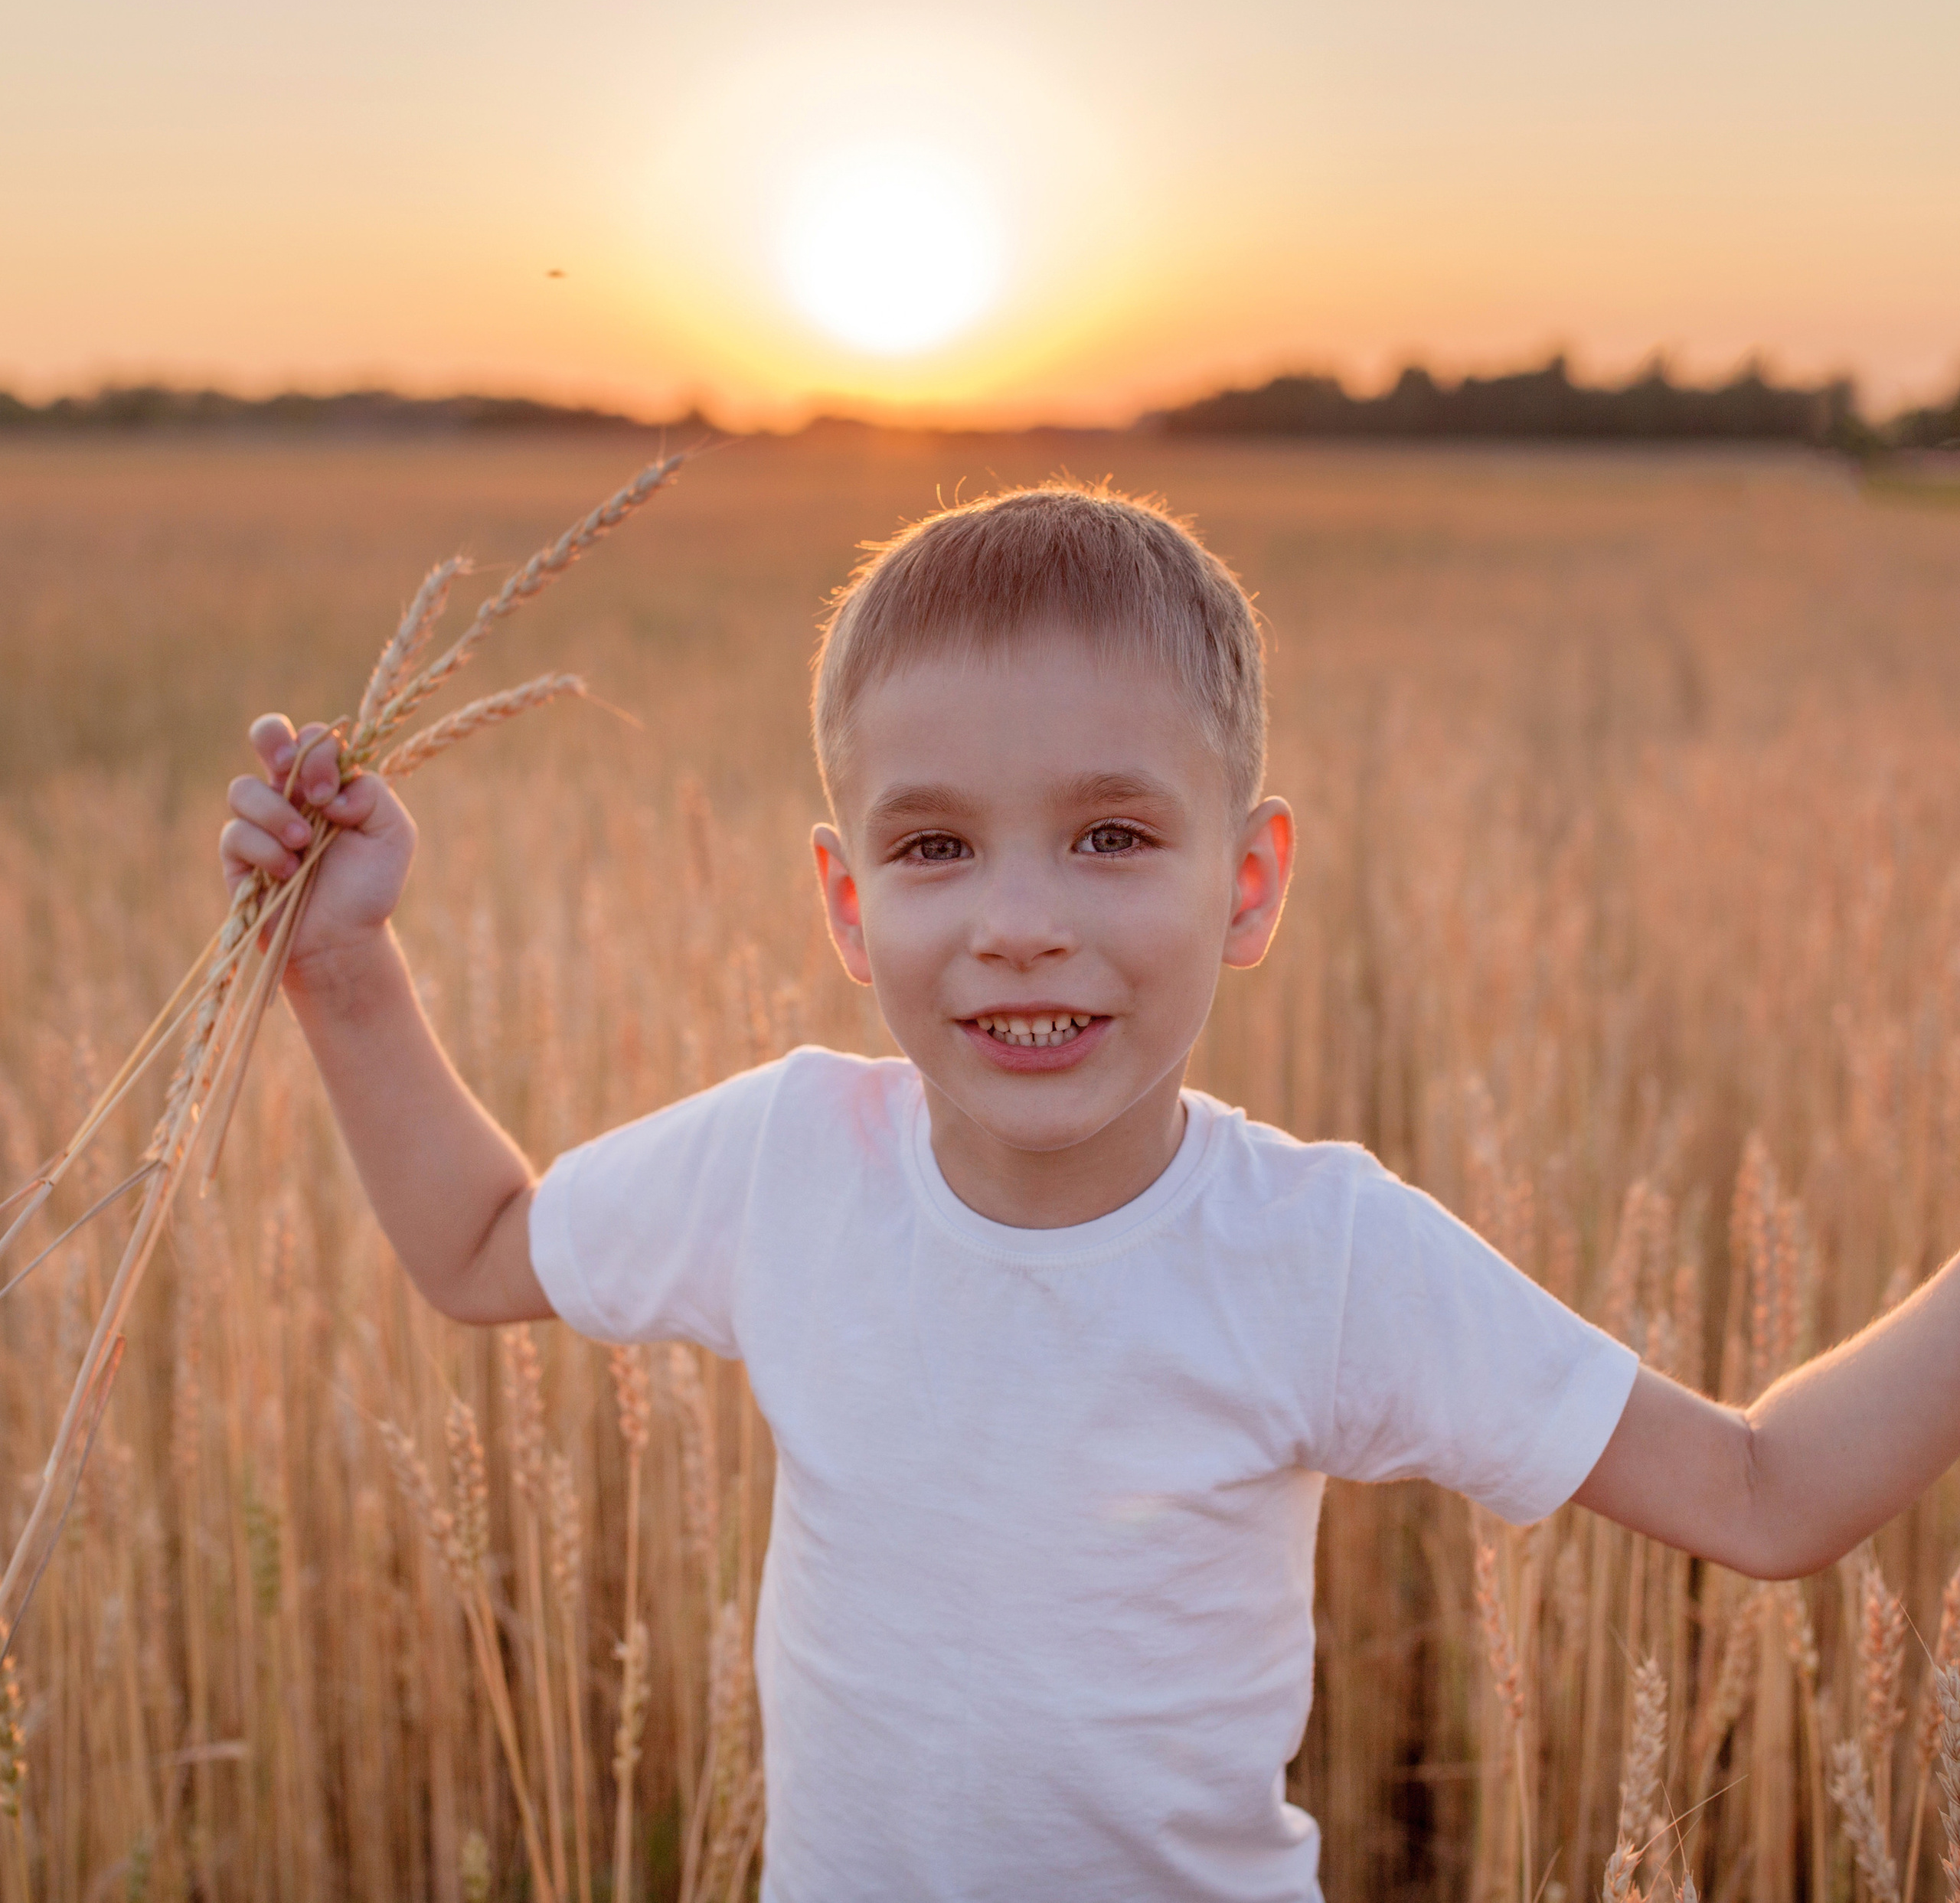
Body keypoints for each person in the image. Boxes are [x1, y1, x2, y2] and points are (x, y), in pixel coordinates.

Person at [220, 481, 1960, 1903]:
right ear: (846, 905)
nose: (1018, 922)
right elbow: (479, 1246)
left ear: (1248, 883)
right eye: (934, 846)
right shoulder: (784, 1164)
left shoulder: (1316, 1254)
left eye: (1111, 836)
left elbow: (1763, 1490)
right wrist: (344, 964)